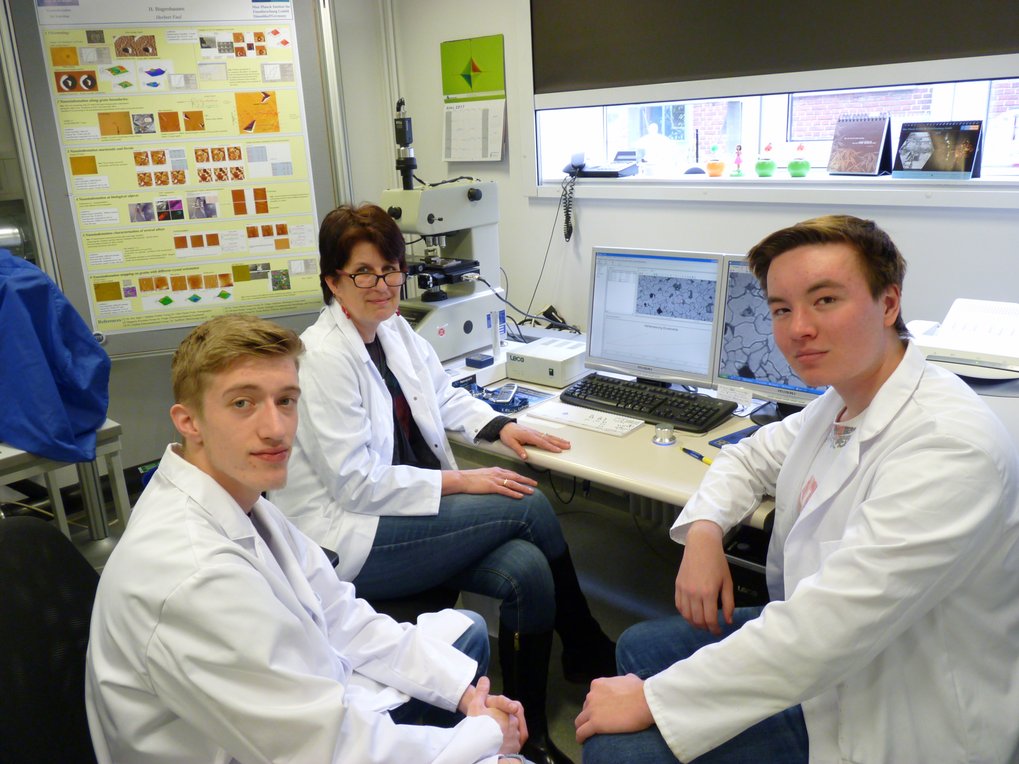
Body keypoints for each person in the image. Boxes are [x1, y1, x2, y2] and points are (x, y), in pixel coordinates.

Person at [576, 215, 1019, 762]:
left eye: (825, 300)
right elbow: (747, 455)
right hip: (830, 655)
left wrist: (656, 700)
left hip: (893, 706)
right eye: (781, 308)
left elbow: (826, 630)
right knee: (639, 644)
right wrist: (705, 533)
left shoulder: (949, 447)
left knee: (617, 752)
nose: (797, 328)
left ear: (888, 304)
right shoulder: (843, 399)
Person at [85, 314, 530, 764]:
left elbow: (341, 616)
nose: (275, 429)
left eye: (286, 401)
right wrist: (487, 739)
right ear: (189, 422)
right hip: (290, 748)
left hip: (308, 711)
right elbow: (326, 753)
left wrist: (465, 697)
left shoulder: (245, 503)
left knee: (468, 639)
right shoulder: (192, 576)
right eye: (243, 403)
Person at [269, 203, 616, 764]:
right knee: (527, 505)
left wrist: (502, 425)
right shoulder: (323, 358)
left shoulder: (395, 330)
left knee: (528, 571)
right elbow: (356, 484)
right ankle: (587, 645)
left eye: (390, 269)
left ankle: (520, 732)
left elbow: (444, 393)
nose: (381, 284)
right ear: (333, 280)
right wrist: (461, 481)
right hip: (352, 534)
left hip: (405, 514)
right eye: (363, 272)